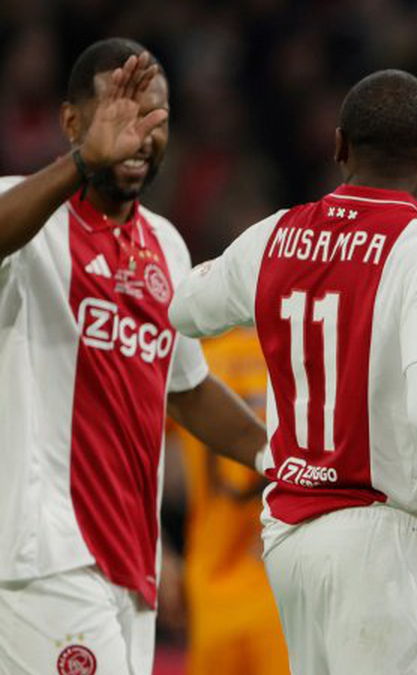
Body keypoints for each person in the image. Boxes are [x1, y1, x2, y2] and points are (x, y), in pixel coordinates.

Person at [169, 69, 417, 675]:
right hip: (392, 541)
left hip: (291, 540)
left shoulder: (274, 237)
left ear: (339, 146)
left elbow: (184, 309)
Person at [0, 39, 267, 675]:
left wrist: (282, 456)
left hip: (129, 566)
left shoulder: (166, 247)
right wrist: (79, 164)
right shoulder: (30, 216)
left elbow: (187, 388)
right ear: (72, 123)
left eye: (155, 118)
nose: (138, 134)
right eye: (119, 114)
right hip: (45, 558)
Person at [167, 327, 289, 675]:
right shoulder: (303, 348)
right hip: (283, 582)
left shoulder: (196, 357)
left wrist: (158, 551)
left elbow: (125, 449)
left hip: (215, 587)